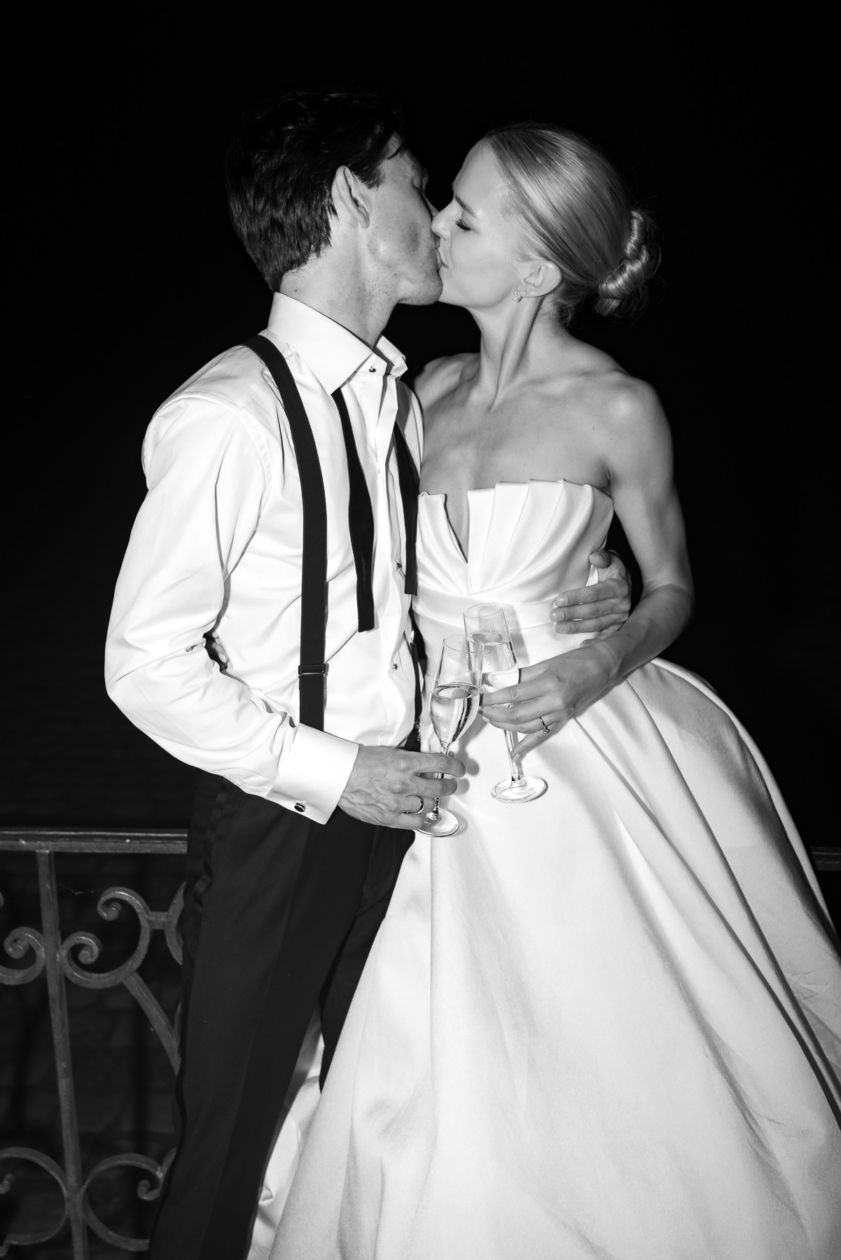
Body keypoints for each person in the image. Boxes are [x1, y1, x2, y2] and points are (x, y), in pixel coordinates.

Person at [270, 123, 841, 1259]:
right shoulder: (420, 388)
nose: (435, 225)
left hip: (578, 749)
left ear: (536, 268)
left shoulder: (615, 408)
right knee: (424, 1048)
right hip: (427, 749)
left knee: (605, 1043)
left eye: (463, 218)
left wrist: (595, 652)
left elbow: (672, 586)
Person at [104, 94, 629, 1260]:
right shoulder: (229, 414)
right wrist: (334, 773)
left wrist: (577, 602)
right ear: (349, 199)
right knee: (229, 1151)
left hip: (413, 826)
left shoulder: (400, 398)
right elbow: (141, 662)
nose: (433, 211)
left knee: (382, 1127)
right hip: (283, 828)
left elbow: (430, 582)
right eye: (414, 181)